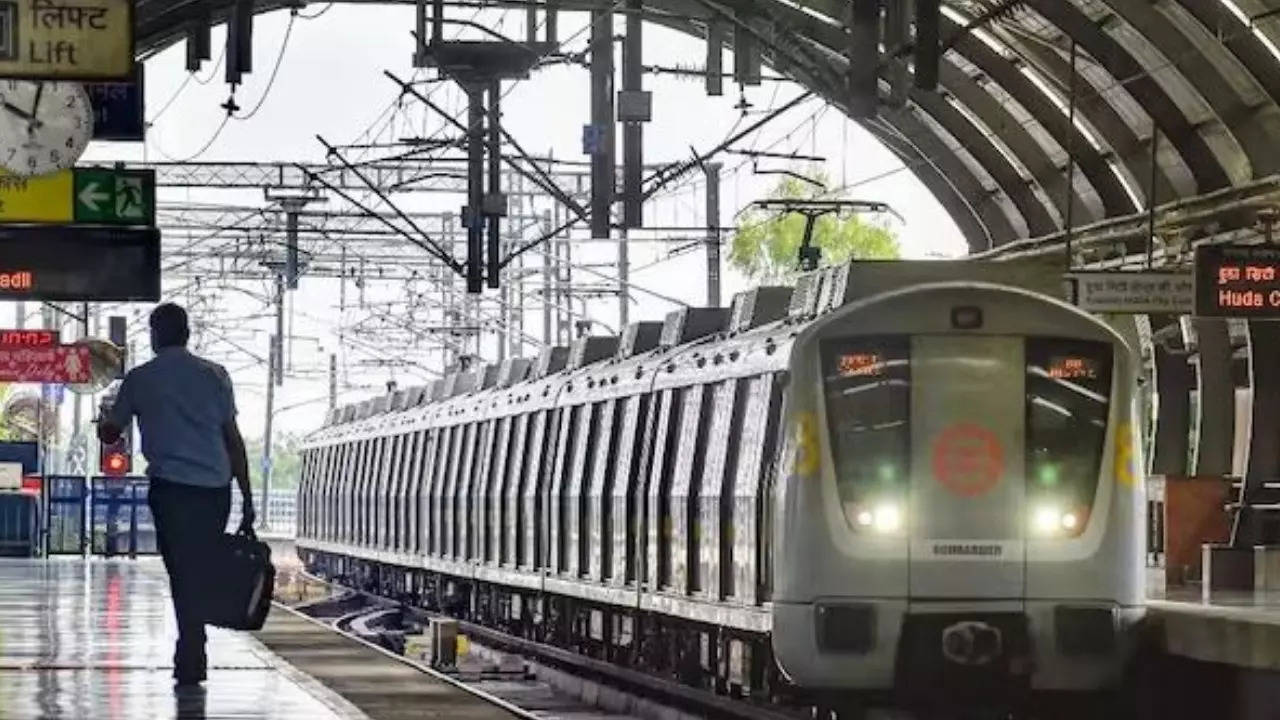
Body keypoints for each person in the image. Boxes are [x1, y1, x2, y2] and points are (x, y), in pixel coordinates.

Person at [96, 303, 255, 687]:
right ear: (187, 333)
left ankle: (191, 646)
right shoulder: (215, 375)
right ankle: (192, 645)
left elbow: (111, 433)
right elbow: (232, 441)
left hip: (170, 491)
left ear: (155, 335)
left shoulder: (139, 378)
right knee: (198, 566)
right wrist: (248, 498)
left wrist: (105, 421)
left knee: (181, 569)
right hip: (215, 489)